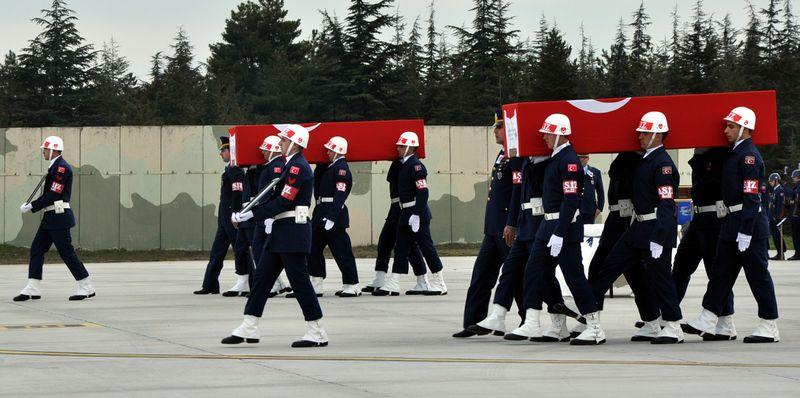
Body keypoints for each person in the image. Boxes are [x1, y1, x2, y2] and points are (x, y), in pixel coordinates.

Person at [223, 124, 328, 348]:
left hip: (293, 231)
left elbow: (283, 201)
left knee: (300, 283)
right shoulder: (290, 166)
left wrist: (250, 215)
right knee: (261, 280)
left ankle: (317, 330)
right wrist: (252, 214)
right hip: (282, 232)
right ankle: (249, 325)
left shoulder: (298, 167)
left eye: (284, 140)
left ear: (295, 144)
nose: (280, 143)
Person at [505, 113, 604, 345]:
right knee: (536, 271)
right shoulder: (555, 159)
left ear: (560, 134)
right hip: (548, 226)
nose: (544, 137)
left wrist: (559, 232)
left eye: (548, 133)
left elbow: (571, 201)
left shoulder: (569, 161)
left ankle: (595, 327)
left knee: (574, 277)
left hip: (564, 227)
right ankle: (544, 323)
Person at [586, 111, 684, 345]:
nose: (640, 136)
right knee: (607, 267)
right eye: (640, 131)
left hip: (655, 230)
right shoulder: (646, 160)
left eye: (645, 132)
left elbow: (667, 204)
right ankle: (592, 319)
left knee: (661, 278)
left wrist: (660, 238)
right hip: (638, 228)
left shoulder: (663, 165)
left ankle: (672, 325)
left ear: (659, 135)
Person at [684, 106, 780, 343]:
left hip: (748, 224)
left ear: (745, 129)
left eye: (732, 126)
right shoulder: (733, 153)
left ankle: (769, 324)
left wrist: (746, 230)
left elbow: (752, 197)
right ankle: (710, 319)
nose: (726, 130)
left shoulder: (749, 157)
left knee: (757, 275)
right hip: (731, 223)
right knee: (721, 273)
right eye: (727, 126)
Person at [453, 110, 523, 337]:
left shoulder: (515, 157)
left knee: (515, 275)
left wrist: (512, 223)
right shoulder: (502, 156)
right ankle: (474, 321)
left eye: (499, 127)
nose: (495, 131)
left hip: (506, 227)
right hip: (493, 228)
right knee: (481, 275)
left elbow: (516, 193)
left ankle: (526, 320)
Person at [14, 136, 95, 302]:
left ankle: (86, 286)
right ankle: (33, 287)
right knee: (37, 249)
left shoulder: (61, 169)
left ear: (53, 149)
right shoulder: (54, 167)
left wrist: (32, 206)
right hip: (50, 217)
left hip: (58, 217)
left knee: (66, 252)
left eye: (45, 149)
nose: (43, 152)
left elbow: (54, 194)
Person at [670, 147, 736, 340]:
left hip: (715, 219)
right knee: (681, 267)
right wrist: (699, 154)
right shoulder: (702, 157)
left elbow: (709, 179)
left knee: (715, 271)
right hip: (698, 219)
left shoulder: (721, 155)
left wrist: (700, 156)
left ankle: (726, 322)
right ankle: (668, 313)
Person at [374, 132, 447, 296]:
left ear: (410, 148)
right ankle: (394, 282)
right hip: (405, 213)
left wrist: (416, 214)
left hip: (417, 213)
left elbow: (423, 192)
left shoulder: (416, 166)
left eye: (401, 146)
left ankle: (440, 283)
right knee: (401, 248)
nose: (398, 149)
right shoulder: (404, 165)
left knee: (427, 248)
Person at [194, 137, 251, 296]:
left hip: (231, 216)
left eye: (223, 151)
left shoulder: (236, 170)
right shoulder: (229, 169)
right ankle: (210, 284)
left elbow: (237, 193)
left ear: (230, 152)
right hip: (224, 217)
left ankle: (250, 283)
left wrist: (235, 212)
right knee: (217, 251)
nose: (221, 154)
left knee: (241, 250)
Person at [363, 158, 429, 294]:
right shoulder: (399, 164)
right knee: (385, 242)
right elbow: (392, 179)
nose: (398, 149)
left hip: (405, 207)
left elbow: (421, 190)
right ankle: (380, 278)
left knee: (409, 246)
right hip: (395, 207)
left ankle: (422, 280)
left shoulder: (411, 165)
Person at [307, 136, 361, 297]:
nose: (327, 152)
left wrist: (332, 217)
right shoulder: (329, 167)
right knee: (313, 250)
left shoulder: (341, 169)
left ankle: (352, 284)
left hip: (334, 216)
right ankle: (316, 283)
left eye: (330, 150)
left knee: (342, 252)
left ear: (338, 151)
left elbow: (340, 194)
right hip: (321, 213)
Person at [249, 136, 291, 298]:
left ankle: (273, 283)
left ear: (274, 150)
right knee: (262, 249)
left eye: (266, 149)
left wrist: (270, 216)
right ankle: (277, 282)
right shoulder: (270, 165)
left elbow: (274, 194)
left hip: (268, 216)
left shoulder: (276, 166)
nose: (263, 152)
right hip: (265, 215)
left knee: (261, 249)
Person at [577, 154, 604, 224]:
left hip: (590, 209)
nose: (582, 159)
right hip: (575, 208)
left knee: (588, 232)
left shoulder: (595, 172)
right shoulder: (571, 171)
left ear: (588, 158)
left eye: (584, 157)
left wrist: (600, 207)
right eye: (580, 157)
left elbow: (600, 191)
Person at [767, 172, 788, 260]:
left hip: (776, 218)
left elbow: (780, 205)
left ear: (776, 181)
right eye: (770, 181)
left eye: (771, 181)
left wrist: (778, 217)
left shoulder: (780, 190)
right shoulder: (775, 190)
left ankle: (780, 253)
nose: (770, 183)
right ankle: (779, 252)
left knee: (777, 236)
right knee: (775, 236)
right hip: (772, 218)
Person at [790, 169, 800, 261]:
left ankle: (798, 254)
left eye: (795, 177)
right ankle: (797, 253)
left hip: (797, 216)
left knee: (797, 236)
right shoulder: (796, 187)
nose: (793, 178)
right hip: (795, 215)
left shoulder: (798, 188)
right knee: (796, 236)